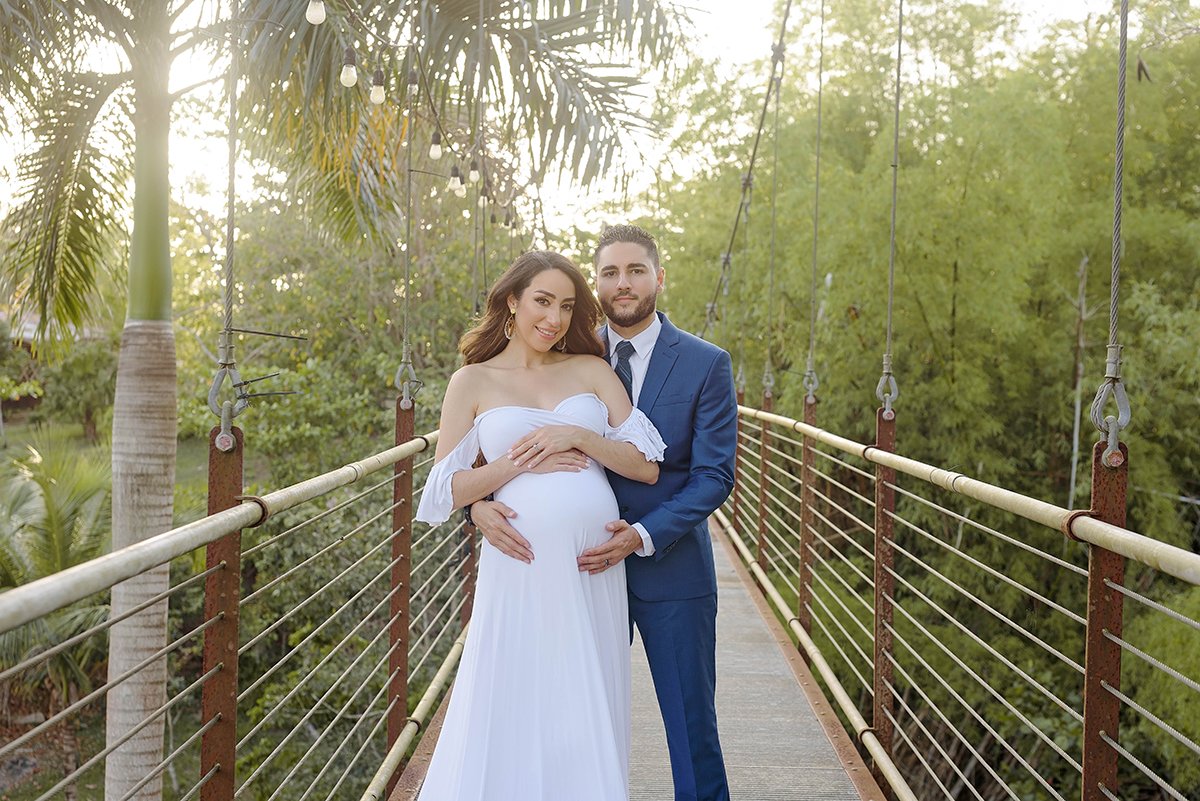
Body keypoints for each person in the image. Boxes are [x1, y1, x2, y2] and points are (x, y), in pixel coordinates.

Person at [472, 224, 738, 801]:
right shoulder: (563, 347)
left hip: (669, 572)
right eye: (611, 272)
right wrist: (478, 505)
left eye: (636, 270)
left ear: (658, 277)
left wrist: (642, 534)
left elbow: (714, 476)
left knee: (692, 730)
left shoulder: (705, 364)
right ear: (597, 283)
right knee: (563, 717)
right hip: (568, 570)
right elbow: (492, 434)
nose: (624, 284)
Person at [413, 250, 667, 801]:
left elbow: (645, 466)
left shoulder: (591, 369)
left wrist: (576, 437)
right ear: (513, 301)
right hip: (520, 562)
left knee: (583, 701)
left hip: (592, 565)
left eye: (566, 307)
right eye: (542, 302)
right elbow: (442, 492)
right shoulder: (471, 381)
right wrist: (510, 468)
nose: (553, 320)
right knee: (516, 693)